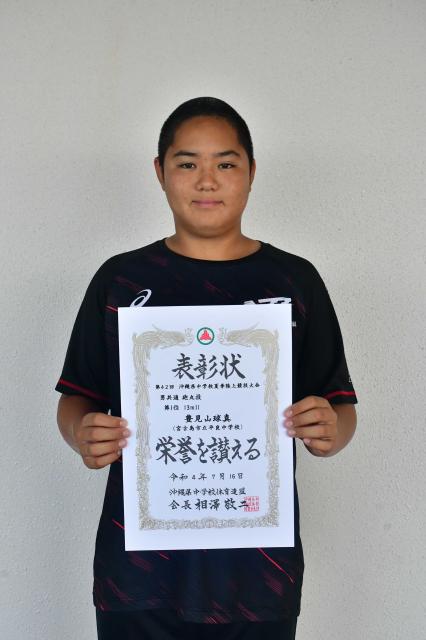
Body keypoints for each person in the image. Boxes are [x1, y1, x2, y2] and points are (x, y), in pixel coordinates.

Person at [56, 96, 357, 639]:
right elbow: (77, 397)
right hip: (138, 573)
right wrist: (82, 431)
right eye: (187, 163)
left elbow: (339, 406)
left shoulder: (294, 281)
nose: (207, 180)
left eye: (226, 163)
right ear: (160, 172)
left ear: (251, 172)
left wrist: (331, 430)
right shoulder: (121, 281)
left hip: (257, 574)